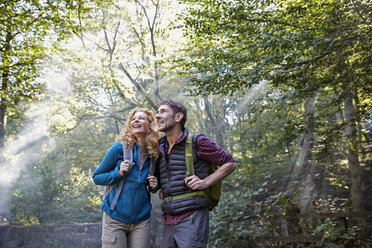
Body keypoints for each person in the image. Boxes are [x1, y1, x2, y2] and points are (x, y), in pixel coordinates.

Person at [155, 100, 237, 248]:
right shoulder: (159, 147)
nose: (157, 116)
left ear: (178, 117)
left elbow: (230, 163)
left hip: (192, 216)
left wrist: (205, 182)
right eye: (157, 112)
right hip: (168, 218)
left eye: (163, 112)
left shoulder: (197, 141)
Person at [92, 107, 160, 248]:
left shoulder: (154, 154)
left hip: (141, 220)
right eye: (133, 119)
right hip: (115, 218)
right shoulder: (119, 148)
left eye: (141, 118)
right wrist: (118, 173)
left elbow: (153, 186)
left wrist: (155, 186)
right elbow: (97, 177)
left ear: (150, 125)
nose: (136, 120)